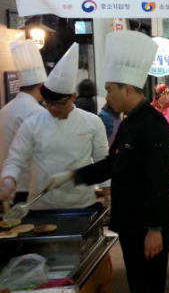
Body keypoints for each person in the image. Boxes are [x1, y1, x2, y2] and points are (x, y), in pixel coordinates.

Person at [44, 31, 169, 293]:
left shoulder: (154, 126)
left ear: (127, 89)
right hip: (130, 224)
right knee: (141, 290)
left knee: (149, 292)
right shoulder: (129, 123)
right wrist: (72, 176)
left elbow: (161, 180)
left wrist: (155, 228)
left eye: (110, 89)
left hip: (145, 227)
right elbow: (113, 164)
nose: (107, 96)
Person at [0, 43, 109, 210]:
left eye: (58, 104)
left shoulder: (92, 122)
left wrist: (108, 194)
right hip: (41, 205)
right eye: (48, 103)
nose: (52, 109)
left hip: (81, 204)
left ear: (73, 97)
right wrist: (8, 179)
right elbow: (15, 159)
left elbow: (102, 161)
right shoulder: (32, 124)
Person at [0, 40, 47, 204]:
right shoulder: (37, 112)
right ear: (41, 86)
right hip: (28, 188)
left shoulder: (4, 110)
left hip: (7, 185)